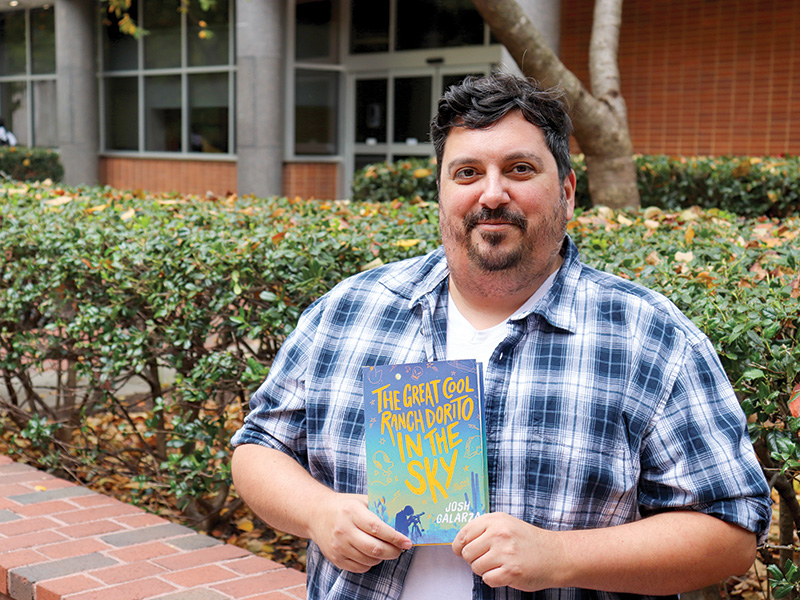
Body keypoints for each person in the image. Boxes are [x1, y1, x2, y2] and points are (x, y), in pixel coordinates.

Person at [230, 72, 771, 600]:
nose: (491, 194)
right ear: (440, 192)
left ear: (566, 190)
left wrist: (561, 557)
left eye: (519, 168)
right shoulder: (349, 311)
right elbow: (258, 447)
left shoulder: (649, 338)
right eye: (466, 173)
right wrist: (318, 513)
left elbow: (730, 529)